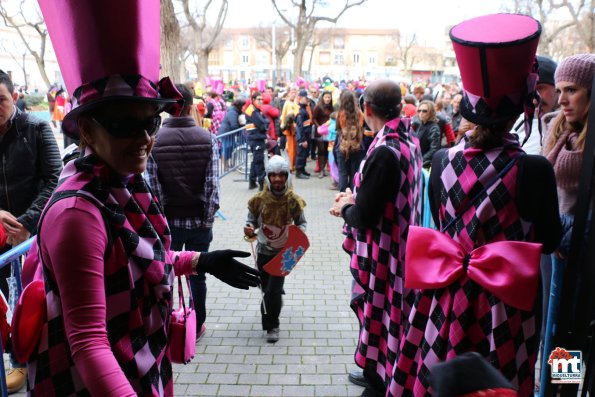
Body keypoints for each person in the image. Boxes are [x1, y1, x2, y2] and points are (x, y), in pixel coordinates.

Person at [30, 1, 260, 395]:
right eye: (123, 125)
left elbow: (133, 263)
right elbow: (88, 343)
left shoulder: (119, 180)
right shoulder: (77, 213)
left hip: (138, 366)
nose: (144, 139)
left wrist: (200, 261)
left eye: (150, 121)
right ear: (86, 130)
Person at [390, 14, 562, 397]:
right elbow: (549, 241)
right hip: (503, 310)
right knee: (498, 380)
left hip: (445, 299)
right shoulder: (532, 169)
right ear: (523, 108)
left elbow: (441, 217)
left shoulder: (441, 162)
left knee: (441, 373)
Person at [330, 79, 423, 397]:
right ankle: (379, 374)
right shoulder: (409, 139)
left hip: (386, 260)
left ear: (366, 109)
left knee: (382, 323)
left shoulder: (385, 150)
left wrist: (346, 206)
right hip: (401, 251)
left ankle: (380, 380)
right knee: (387, 324)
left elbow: (365, 217)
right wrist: (356, 199)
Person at [0, 69, 62, 394]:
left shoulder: (36, 126)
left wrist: (26, 223)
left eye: (1, 99)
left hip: (35, 238)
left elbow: (55, 178)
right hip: (2, 238)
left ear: (14, 97)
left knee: (36, 299)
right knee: (7, 302)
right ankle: (18, 360)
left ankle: (37, 361)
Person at [146, 83, 220, 343]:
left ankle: (167, 322)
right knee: (198, 275)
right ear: (189, 107)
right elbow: (213, 187)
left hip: (168, 224)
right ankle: (197, 324)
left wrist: (160, 222)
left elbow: (153, 191)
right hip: (200, 221)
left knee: (167, 273)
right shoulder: (207, 138)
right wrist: (207, 220)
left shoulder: (154, 143)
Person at [540, 52, 594, 394]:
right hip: (559, 247)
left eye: (571, 90)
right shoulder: (556, 128)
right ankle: (555, 390)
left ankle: (565, 388)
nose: (562, 99)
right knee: (558, 327)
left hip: (587, 249)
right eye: (559, 90)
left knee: (576, 328)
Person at [244, 155, 307, 343]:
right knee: (266, 289)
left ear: (287, 176)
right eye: (273, 175)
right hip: (264, 250)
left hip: (284, 253)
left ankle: (272, 326)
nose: (278, 179)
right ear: (268, 176)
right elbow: (251, 222)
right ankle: (275, 299)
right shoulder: (258, 200)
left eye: (281, 175)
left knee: (272, 291)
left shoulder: (294, 201)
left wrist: (298, 234)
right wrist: (248, 228)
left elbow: (302, 224)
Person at [336, 89, 365, 192]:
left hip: (343, 146)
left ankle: (342, 195)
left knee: (343, 173)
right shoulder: (360, 114)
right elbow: (361, 127)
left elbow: (338, 128)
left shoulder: (341, 113)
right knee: (354, 173)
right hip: (357, 145)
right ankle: (353, 196)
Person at [245, 91, 269, 190]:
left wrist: (265, 122)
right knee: (259, 161)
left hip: (256, 138)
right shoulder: (253, 111)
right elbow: (262, 124)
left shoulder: (256, 109)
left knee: (255, 160)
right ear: (253, 100)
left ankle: (252, 182)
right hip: (256, 138)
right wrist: (265, 123)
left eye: (262, 99)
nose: (261, 101)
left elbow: (265, 121)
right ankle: (262, 183)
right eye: (259, 99)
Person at [219, 98, 246, 170]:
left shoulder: (236, 111)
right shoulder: (232, 112)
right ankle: (225, 166)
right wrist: (238, 132)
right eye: (243, 105)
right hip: (226, 133)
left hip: (229, 133)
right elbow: (234, 124)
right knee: (227, 148)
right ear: (240, 106)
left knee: (230, 148)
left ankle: (230, 165)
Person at [413, 100, 441, 168]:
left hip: (425, 164)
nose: (421, 113)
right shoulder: (420, 124)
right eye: (419, 111)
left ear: (431, 112)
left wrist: (420, 160)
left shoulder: (434, 128)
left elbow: (434, 149)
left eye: (424, 111)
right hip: (416, 161)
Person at [312, 91, 334, 178]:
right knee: (321, 151)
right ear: (322, 98)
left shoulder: (332, 108)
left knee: (326, 150)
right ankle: (321, 170)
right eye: (326, 97)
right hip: (320, 132)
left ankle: (324, 169)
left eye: (329, 97)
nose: (327, 99)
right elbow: (313, 118)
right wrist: (319, 127)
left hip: (329, 132)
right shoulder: (318, 107)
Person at [295, 90, 312, 179]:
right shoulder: (300, 111)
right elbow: (300, 127)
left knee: (304, 154)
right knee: (301, 154)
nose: (307, 100)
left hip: (306, 135)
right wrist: (303, 139)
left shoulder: (304, 109)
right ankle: (299, 171)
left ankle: (302, 169)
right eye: (306, 98)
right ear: (301, 98)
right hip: (302, 137)